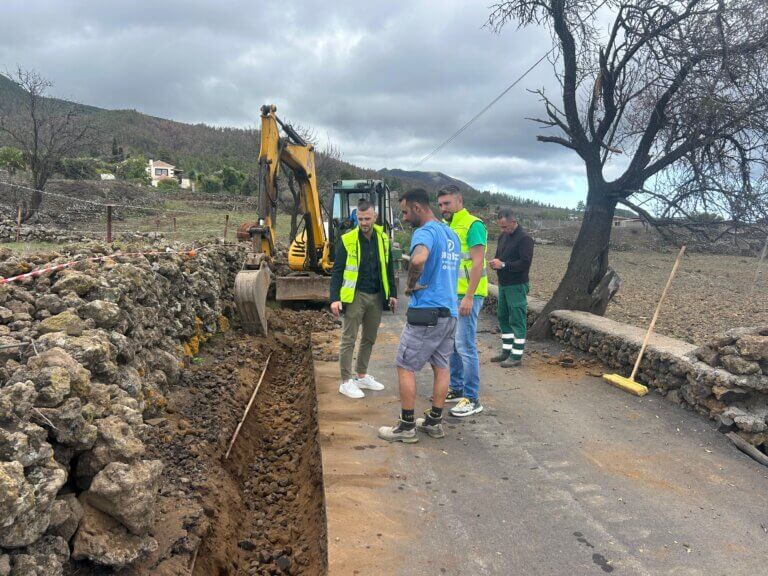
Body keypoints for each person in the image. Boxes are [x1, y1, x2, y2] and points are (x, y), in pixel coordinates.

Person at [378, 188, 460, 443]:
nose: (403, 217)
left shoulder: (424, 232)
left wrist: (411, 284)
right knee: (441, 366)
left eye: (404, 211)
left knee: (405, 366)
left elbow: (418, 260)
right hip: (450, 312)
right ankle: (434, 422)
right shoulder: (451, 234)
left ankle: (406, 426)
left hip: (427, 312)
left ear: (417, 207)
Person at [330, 200, 398, 398]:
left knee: (369, 337)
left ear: (375, 217)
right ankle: (346, 381)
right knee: (349, 338)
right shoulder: (347, 239)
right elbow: (337, 271)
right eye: (360, 219)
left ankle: (361, 375)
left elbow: (388, 268)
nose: (364, 222)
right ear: (356, 218)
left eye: (367, 218)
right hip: (355, 295)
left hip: (377, 296)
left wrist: (392, 294)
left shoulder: (383, 239)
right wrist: (334, 298)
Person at [436, 185, 487, 417]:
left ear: (459, 200)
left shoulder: (473, 225)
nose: (443, 208)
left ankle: (472, 398)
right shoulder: (448, 226)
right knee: (453, 345)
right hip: (451, 295)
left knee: (465, 345)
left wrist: (468, 296)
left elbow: (477, 263)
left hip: (469, 295)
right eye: (440, 205)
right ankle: (457, 389)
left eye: (446, 203)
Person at [488, 208, 534, 367]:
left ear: (514, 222)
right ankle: (506, 351)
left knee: (517, 320)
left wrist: (504, 265)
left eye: (505, 226)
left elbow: (525, 263)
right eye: (501, 227)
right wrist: (496, 263)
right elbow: (500, 257)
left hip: (517, 285)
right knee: (503, 317)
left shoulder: (525, 239)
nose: (503, 230)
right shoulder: (503, 236)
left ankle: (516, 356)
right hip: (504, 284)